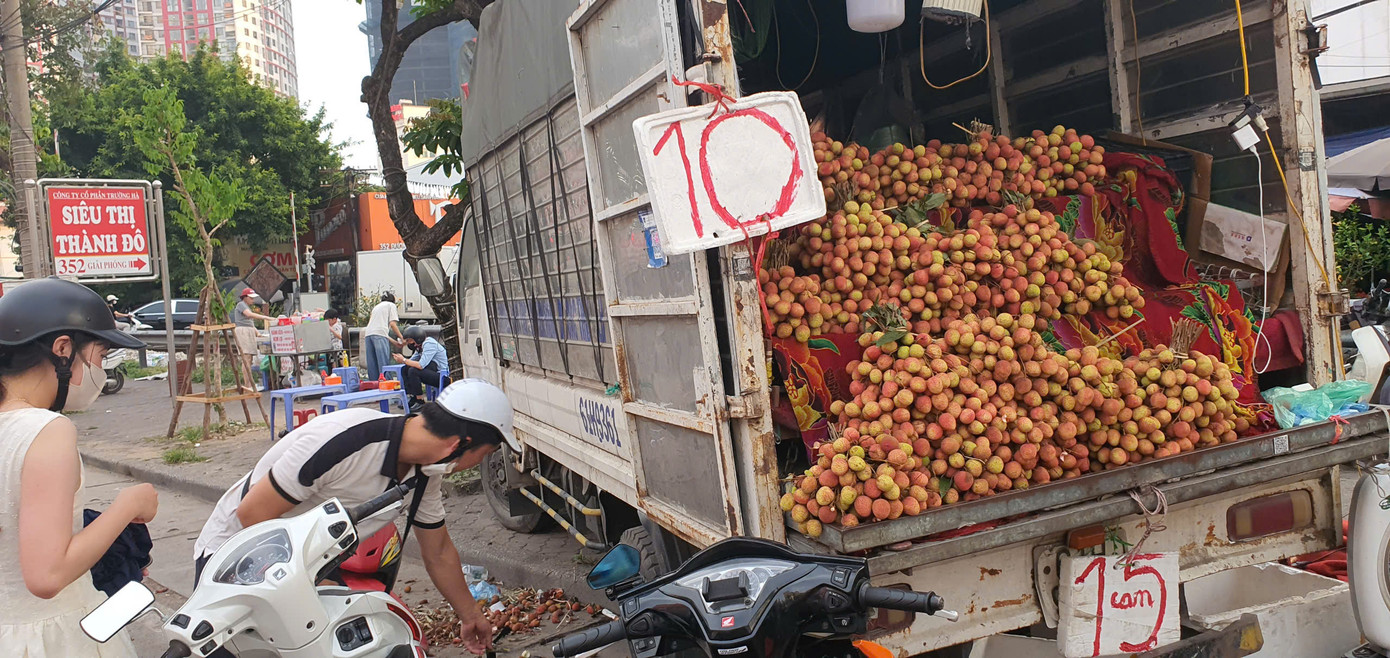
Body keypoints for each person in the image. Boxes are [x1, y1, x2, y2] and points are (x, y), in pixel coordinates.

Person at [190, 379, 515, 655]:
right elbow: (253, 514)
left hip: (307, 568)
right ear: (460, 444)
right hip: (236, 561)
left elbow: (439, 552)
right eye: (484, 455)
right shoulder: (344, 441)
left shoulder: (425, 473)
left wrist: (470, 614)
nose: (480, 464)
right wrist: (320, 595)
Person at [0, 277, 159, 657]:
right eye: (101, 357)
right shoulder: (46, 431)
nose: (101, 373)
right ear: (62, 349)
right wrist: (128, 506)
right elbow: (47, 575)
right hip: (47, 639)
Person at [394, 325, 449, 412]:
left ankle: (420, 401)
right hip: (432, 372)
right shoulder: (419, 347)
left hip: (442, 377)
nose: (408, 343)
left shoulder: (429, 343)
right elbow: (411, 361)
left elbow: (420, 365)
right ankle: (413, 397)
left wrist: (404, 360)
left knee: (414, 371)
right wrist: (402, 360)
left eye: (409, 340)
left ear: (417, 338)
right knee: (405, 369)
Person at [232, 288, 274, 391]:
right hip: (243, 332)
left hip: (249, 330)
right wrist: (266, 318)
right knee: (246, 357)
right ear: (245, 297)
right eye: (251, 298)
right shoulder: (241, 305)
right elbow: (249, 315)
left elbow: (250, 322)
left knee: (249, 358)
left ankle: (249, 383)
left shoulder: (247, 307)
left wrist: (258, 333)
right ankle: (247, 385)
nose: (253, 300)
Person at [362, 292, 404, 380]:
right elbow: (392, 324)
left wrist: (395, 342)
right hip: (379, 335)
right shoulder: (391, 305)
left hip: (368, 334)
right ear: (393, 301)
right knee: (383, 363)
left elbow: (379, 331)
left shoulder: (376, 307)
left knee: (372, 364)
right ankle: (387, 384)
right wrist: (402, 338)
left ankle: (374, 385)